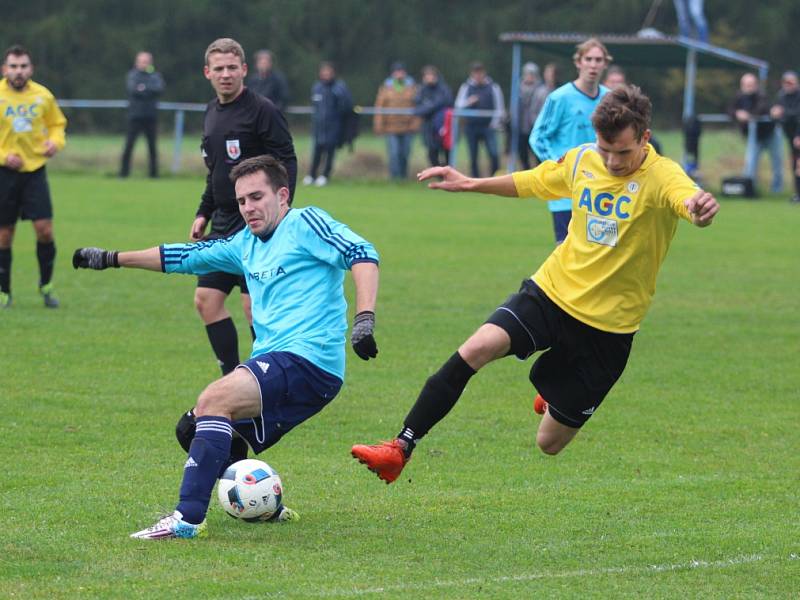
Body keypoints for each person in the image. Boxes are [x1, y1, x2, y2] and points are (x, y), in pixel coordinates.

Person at [351, 85, 719, 485]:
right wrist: (472, 182)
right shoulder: (582, 159)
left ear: (645, 139)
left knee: (549, 443)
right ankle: (400, 447)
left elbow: (687, 200)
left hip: (608, 329)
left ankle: (553, 393)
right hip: (551, 292)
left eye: (623, 153)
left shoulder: (662, 174)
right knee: (477, 348)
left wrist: (698, 211)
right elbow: (533, 182)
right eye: (604, 150)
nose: (612, 161)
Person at [74, 154, 380, 539]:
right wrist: (112, 259)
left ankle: (186, 520)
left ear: (282, 195)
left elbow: (362, 253)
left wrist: (364, 318)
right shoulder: (245, 243)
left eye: (257, 197)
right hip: (279, 362)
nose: (248, 208)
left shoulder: (306, 223)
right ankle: (266, 506)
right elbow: (184, 256)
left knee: (213, 402)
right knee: (192, 429)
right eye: (241, 201)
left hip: (309, 359)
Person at [191, 37, 298, 466]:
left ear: (243, 69)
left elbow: (286, 158)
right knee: (206, 301)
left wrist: (279, 211)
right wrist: (202, 212)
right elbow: (215, 171)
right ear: (208, 73)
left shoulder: (262, 111)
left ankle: (265, 387)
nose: (225, 74)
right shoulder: (211, 112)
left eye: (232, 67)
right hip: (222, 225)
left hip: (257, 230)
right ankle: (233, 379)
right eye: (218, 68)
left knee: (256, 311)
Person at [0, 44, 67, 309]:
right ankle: (4, 292)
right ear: (5, 69)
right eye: (13, 66)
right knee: (4, 235)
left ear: (31, 68)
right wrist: (4, 156)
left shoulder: (43, 96)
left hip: (35, 171)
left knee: (45, 230)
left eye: (23, 66)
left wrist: (55, 142)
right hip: (5, 173)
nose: (19, 71)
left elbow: (57, 125)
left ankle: (46, 285)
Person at [530, 38, 611, 244]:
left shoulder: (611, 99)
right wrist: (561, 166)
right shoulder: (559, 98)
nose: (593, 64)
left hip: (602, 192)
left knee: (603, 253)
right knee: (567, 256)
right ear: (578, 62)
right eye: (589, 59)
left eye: (598, 60)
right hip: (566, 194)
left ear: (605, 64)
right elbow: (538, 137)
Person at [730, 73, 782, 193]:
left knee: (777, 162)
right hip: (754, 137)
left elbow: (762, 108)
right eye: (747, 85)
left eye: (752, 85)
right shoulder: (738, 97)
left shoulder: (761, 95)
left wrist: (748, 115)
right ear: (742, 85)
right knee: (751, 162)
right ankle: (749, 189)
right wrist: (737, 113)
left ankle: (777, 189)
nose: (749, 87)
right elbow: (729, 109)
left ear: (756, 85)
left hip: (770, 133)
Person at [304, 62, 352, 187]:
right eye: (324, 71)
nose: (326, 74)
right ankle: (311, 175)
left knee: (330, 152)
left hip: (334, 127)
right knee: (316, 152)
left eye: (328, 71)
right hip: (319, 127)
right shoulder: (317, 88)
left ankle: (325, 175)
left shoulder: (339, 88)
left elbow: (346, 107)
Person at [455, 62, 505, 178]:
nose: (478, 76)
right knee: (473, 156)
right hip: (471, 127)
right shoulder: (466, 87)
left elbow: (499, 107)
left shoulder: (493, 87)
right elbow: (458, 105)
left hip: (488, 127)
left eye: (480, 73)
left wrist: (494, 124)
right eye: (475, 73)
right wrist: (469, 102)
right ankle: (474, 179)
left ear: (484, 73)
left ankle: (495, 178)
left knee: (493, 154)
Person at [119, 51, 164, 178]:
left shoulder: (155, 76)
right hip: (135, 116)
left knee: (152, 147)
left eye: (146, 61)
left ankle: (154, 174)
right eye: (142, 61)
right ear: (137, 62)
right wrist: (147, 90)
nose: (144, 64)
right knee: (129, 146)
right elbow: (133, 90)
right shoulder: (132, 75)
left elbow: (158, 89)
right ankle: (123, 173)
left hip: (151, 116)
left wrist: (143, 88)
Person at [373, 61, 420, 179]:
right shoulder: (385, 88)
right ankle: (394, 178)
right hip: (390, 127)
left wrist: (415, 124)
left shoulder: (413, 88)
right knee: (394, 154)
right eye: (397, 72)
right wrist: (378, 126)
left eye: (401, 71)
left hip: (408, 127)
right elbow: (379, 107)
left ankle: (403, 177)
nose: (399, 74)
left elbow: (418, 107)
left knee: (405, 154)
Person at [602, 66, 663, 155]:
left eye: (619, 82)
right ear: (605, 84)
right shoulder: (598, 104)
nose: (616, 85)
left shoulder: (632, 103)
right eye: (612, 82)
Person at [414, 65, 453, 167]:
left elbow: (447, 102)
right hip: (428, 128)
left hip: (444, 127)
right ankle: (441, 177)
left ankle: (448, 177)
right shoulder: (421, 90)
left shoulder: (444, 89)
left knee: (447, 153)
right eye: (427, 75)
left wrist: (429, 107)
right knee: (432, 155)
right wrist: (434, 106)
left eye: (431, 75)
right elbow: (418, 109)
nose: (429, 78)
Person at [770, 70, 800, 203]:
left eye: (791, 82)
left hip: (797, 135)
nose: (788, 85)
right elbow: (779, 115)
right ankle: (798, 193)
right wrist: (775, 113)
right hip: (790, 137)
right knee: (795, 165)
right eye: (786, 82)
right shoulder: (781, 96)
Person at [509, 62, 543, 170]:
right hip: (521, 127)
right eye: (528, 74)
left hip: (535, 127)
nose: (530, 77)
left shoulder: (541, 90)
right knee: (522, 154)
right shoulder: (518, 89)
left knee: (537, 155)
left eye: (532, 74)